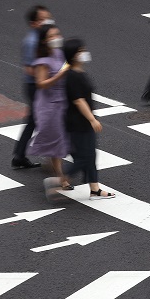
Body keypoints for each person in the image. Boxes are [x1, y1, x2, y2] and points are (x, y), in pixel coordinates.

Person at [60, 38, 115, 200]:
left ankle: (95, 189)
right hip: (78, 123)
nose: (84, 53)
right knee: (85, 157)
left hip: (80, 122)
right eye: (81, 51)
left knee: (90, 156)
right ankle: (60, 181)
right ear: (74, 55)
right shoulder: (72, 76)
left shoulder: (78, 72)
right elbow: (78, 100)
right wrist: (92, 119)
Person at [28, 24, 72, 190]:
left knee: (62, 138)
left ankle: (54, 165)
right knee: (57, 140)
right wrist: (61, 74)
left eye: (57, 34)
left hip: (63, 101)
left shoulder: (60, 53)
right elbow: (41, 84)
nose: (56, 38)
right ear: (44, 41)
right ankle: (61, 178)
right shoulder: (42, 62)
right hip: (49, 105)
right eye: (52, 36)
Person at [13, 5, 54, 169]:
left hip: (37, 86)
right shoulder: (32, 42)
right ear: (33, 23)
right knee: (46, 120)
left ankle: (19, 155)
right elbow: (30, 69)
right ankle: (55, 155)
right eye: (43, 19)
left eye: (48, 17)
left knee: (34, 121)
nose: (48, 21)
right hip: (36, 87)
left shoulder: (41, 37)